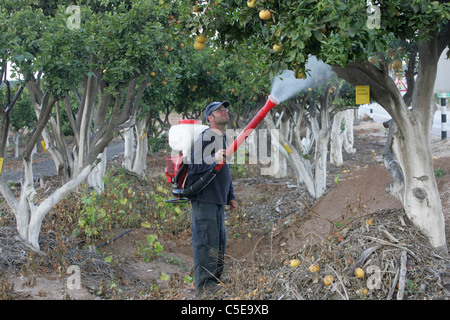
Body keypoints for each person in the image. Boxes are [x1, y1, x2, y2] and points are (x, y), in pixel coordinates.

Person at [187, 101, 238, 292]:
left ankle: (215, 280)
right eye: (219, 111)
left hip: (217, 199)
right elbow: (194, 165)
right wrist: (212, 158)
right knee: (205, 242)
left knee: (218, 241)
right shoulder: (206, 137)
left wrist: (230, 195)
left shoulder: (220, 138)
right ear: (210, 117)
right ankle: (205, 285)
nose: (225, 112)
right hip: (205, 199)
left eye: (225, 109)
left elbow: (224, 169)